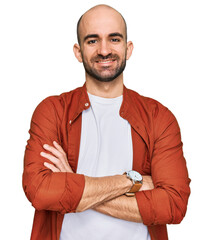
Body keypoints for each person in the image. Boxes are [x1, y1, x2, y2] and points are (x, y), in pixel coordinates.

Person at [23, 4, 190, 240]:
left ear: (128, 48)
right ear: (78, 51)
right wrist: (132, 181)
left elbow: (173, 205)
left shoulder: (158, 117)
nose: (104, 50)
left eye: (114, 39)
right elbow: (40, 191)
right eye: (92, 41)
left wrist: (72, 182)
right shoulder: (52, 111)